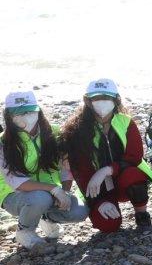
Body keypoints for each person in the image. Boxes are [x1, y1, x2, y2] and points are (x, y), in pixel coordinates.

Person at [61, 79, 152, 233]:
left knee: (133, 174)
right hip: (95, 185)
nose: (102, 101)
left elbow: (134, 157)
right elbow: (80, 171)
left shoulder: (126, 122)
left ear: (116, 99)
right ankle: (102, 205)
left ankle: (141, 214)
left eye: (106, 97)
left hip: (123, 178)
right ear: (88, 101)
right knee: (109, 225)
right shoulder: (77, 130)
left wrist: (106, 170)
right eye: (96, 98)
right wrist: (99, 202)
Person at [1, 91, 88, 250]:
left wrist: (64, 192)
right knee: (40, 198)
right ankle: (25, 231)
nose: (26, 116)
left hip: (49, 192)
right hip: (13, 195)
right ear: (9, 116)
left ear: (38, 111)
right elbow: (17, 182)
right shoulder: (3, 143)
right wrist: (53, 189)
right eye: (19, 113)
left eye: (30, 111)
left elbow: (65, 168)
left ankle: (46, 219)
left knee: (79, 211)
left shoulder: (55, 133)